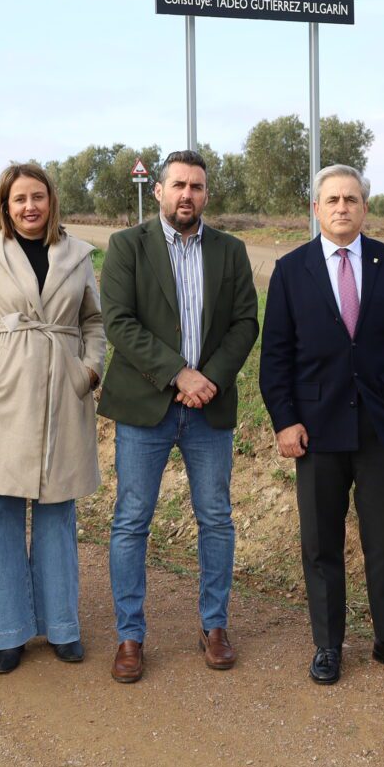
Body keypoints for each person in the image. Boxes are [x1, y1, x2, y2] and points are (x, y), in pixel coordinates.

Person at [259, 164, 384, 685]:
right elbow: (276, 359)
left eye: (351, 199)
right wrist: (285, 422)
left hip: (383, 428)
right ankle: (328, 645)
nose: (342, 207)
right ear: (315, 209)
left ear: (365, 208)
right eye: (332, 199)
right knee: (321, 541)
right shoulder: (292, 271)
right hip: (317, 430)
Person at [98, 150, 258, 683]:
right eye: (178, 185)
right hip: (145, 406)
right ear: (159, 191)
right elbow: (119, 323)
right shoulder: (127, 246)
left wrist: (207, 378)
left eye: (196, 186)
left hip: (209, 407)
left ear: (206, 194)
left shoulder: (231, 252)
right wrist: (177, 374)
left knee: (215, 517)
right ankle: (130, 635)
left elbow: (244, 323)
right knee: (131, 520)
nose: (187, 194)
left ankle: (214, 626)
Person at [0, 163, 105, 674]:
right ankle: (5, 630)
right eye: (19, 199)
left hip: (64, 389)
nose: (29, 207)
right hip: (3, 391)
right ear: (5, 203)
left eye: (37, 197)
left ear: (51, 200)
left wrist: (88, 369)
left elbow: (93, 320)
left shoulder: (78, 254)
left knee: (58, 512)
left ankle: (62, 626)